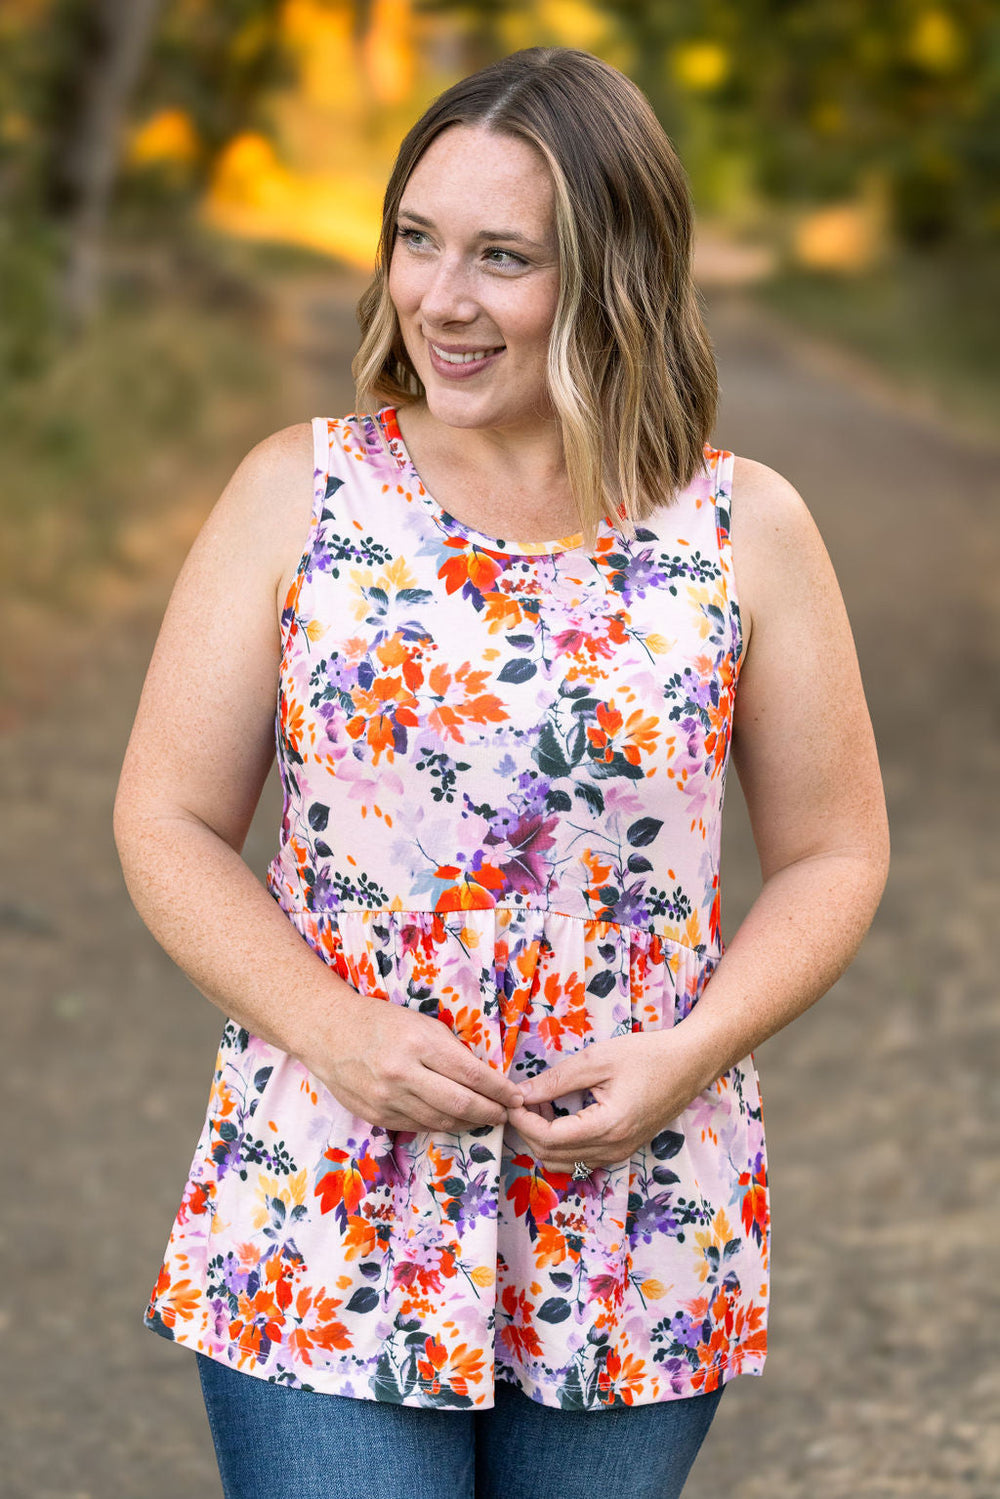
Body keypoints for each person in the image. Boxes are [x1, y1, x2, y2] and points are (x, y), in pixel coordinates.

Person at [113, 45, 889, 1499]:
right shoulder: (303, 490)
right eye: (417, 238)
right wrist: (332, 1031)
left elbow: (838, 852)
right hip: (324, 1201)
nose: (439, 298)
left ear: (618, 277)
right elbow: (165, 820)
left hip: (635, 1211)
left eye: (503, 257)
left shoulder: (746, 530)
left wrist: (691, 1052)